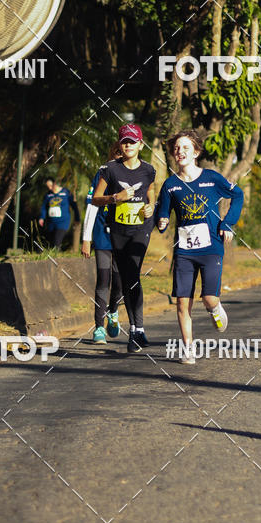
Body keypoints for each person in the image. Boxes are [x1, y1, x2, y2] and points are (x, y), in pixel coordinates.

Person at [156, 130, 244, 364]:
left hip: (211, 247)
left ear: (195, 152)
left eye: (185, 147)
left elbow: (238, 195)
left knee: (208, 298)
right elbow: (162, 212)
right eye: (176, 148)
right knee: (182, 302)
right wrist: (162, 221)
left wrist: (228, 223)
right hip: (184, 251)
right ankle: (188, 349)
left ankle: (215, 309)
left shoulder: (212, 179)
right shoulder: (170, 185)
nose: (180, 151)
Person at [91, 123, 156, 353]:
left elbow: (150, 190)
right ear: (120, 143)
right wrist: (114, 198)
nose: (128, 145)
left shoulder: (148, 170)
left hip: (141, 229)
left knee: (133, 274)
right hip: (117, 231)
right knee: (129, 278)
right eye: (124, 141)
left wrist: (151, 206)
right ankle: (138, 329)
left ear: (141, 144)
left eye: (132, 141)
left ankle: (136, 331)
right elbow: (95, 198)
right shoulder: (110, 169)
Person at [82, 143, 123, 344]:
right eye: (115, 154)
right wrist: (86, 238)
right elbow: (91, 207)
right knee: (103, 279)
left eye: (121, 155)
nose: (118, 158)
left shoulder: (130, 175)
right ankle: (99, 327)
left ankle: (113, 312)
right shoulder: (102, 172)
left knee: (119, 282)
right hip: (102, 236)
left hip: (123, 237)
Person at [39, 178, 80, 249]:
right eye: (48, 186)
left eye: (51, 185)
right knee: (51, 243)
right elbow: (44, 207)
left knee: (57, 242)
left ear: (55, 184)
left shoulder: (66, 192)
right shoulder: (48, 195)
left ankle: (56, 257)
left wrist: (77, 218)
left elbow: (74, 206)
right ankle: (53, 256)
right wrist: (42, 217)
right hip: (51, 223)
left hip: (63, 222)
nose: (50, 188)